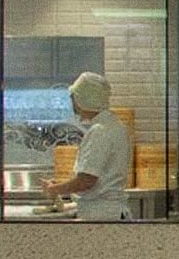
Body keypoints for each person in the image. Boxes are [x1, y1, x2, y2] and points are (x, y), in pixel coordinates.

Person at [44, 72, 130, 221]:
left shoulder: (99, 131)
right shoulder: (116, 126)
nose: (73, 105)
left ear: (82, 100)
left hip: (100, 215)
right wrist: (63, 185)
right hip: (113, 212)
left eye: (74, 99)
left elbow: (87, 181)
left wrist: (54, 190)